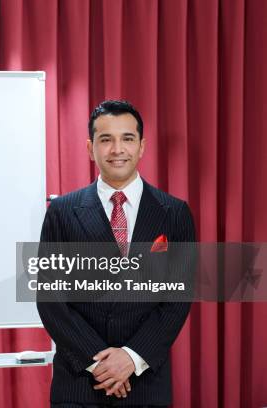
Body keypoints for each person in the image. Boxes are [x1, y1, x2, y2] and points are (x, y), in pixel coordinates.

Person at [37, 100, 196, 407]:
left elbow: (177, 300)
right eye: (105, 139)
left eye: (127, 138)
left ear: (142, 146)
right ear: (90, 147)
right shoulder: (62, 212)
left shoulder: (175, 214)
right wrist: (100, 364)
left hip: (146, 381)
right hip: (79, 381)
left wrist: (131, 358)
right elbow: (50, 298)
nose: (117, 149)